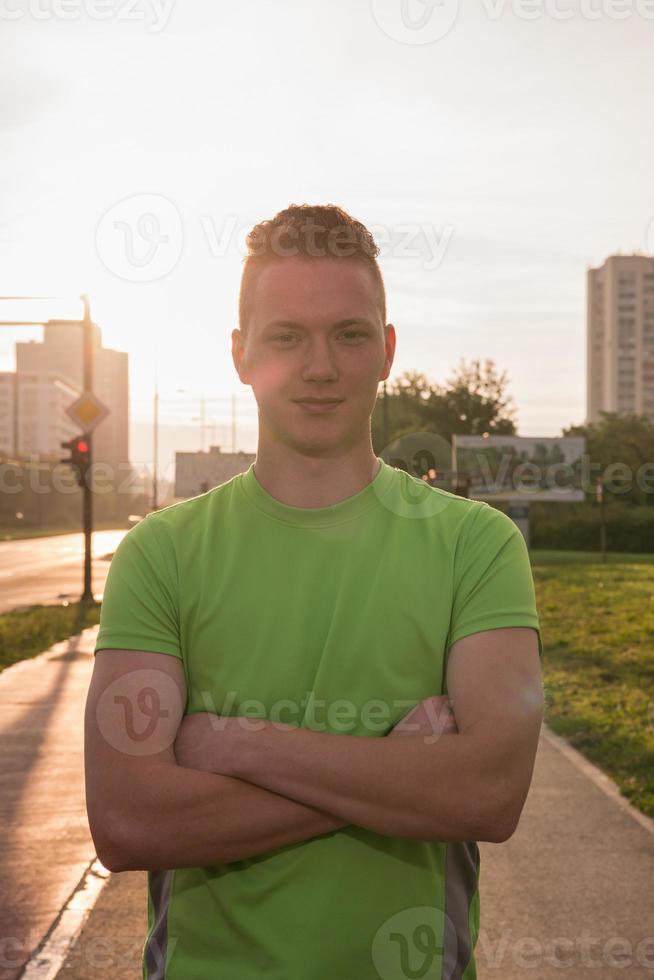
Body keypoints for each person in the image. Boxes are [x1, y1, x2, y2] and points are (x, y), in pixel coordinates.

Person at [84, 204, 544, 980]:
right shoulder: (160, 553)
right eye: (287, 337)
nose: (321, 366)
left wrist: (240, 747)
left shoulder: (476, 544)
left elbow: (489, 793)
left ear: (387, 350)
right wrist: (395, 775)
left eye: (350, 334)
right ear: (242, 355)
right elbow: (128, 820)